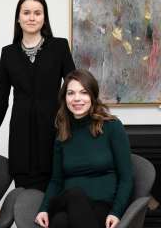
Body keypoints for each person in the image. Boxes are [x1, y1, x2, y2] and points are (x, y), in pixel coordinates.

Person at [0, 0, 76, 191]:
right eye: (26, 12)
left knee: (55, 201)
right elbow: (0, 100)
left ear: (44, 18)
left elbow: (75, 87)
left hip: (54, 131)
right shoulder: (8, 53)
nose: (32, 17)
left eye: (37, 13)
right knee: (26, 204)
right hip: (22, 137)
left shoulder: (59, 47)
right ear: (18, 18)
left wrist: (83, 124)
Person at [35, 69, 133, 228]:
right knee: (74, 195)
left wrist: (116, 212)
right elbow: (56, 180)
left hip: (103, 206)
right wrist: (44, 208)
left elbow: (126, 178)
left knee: (60, 222)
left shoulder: (112, 127)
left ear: (92, 96)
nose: (77, 98)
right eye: (71, 93)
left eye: (83, 92)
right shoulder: (63, 132)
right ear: (64, 98)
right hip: (67, 201)